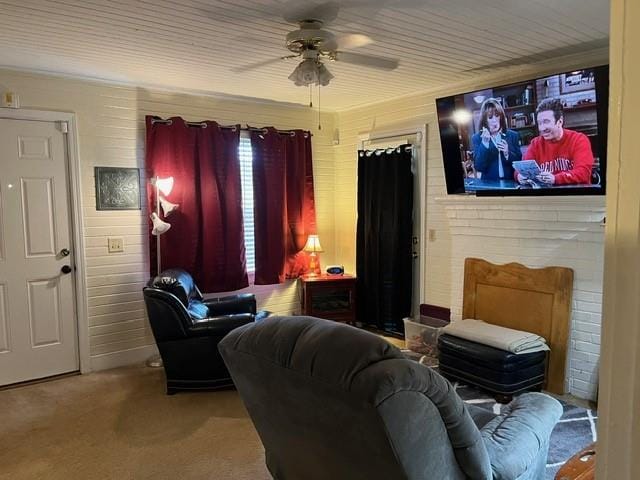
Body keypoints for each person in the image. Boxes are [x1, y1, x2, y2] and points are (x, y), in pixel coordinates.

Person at [517, 98, 594, 186]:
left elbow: (583, 173)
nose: (542, 128)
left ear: (560, 122)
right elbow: (521, 169)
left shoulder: (579, 139)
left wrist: (555, 179)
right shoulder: (535, 143)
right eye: (540, 123)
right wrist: (520, 176)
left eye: (546, 122)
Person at [471, 98, 522, 180]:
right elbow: (479, 167)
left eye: (497, 115)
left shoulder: (513, 135)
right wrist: (484, 143)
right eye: (490, 117)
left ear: (501, 117)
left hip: (510, 184)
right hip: (489, 186)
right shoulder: (477, 138)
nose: (494, 120)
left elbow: (519, 163)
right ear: (485, 120)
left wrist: (507, 153)